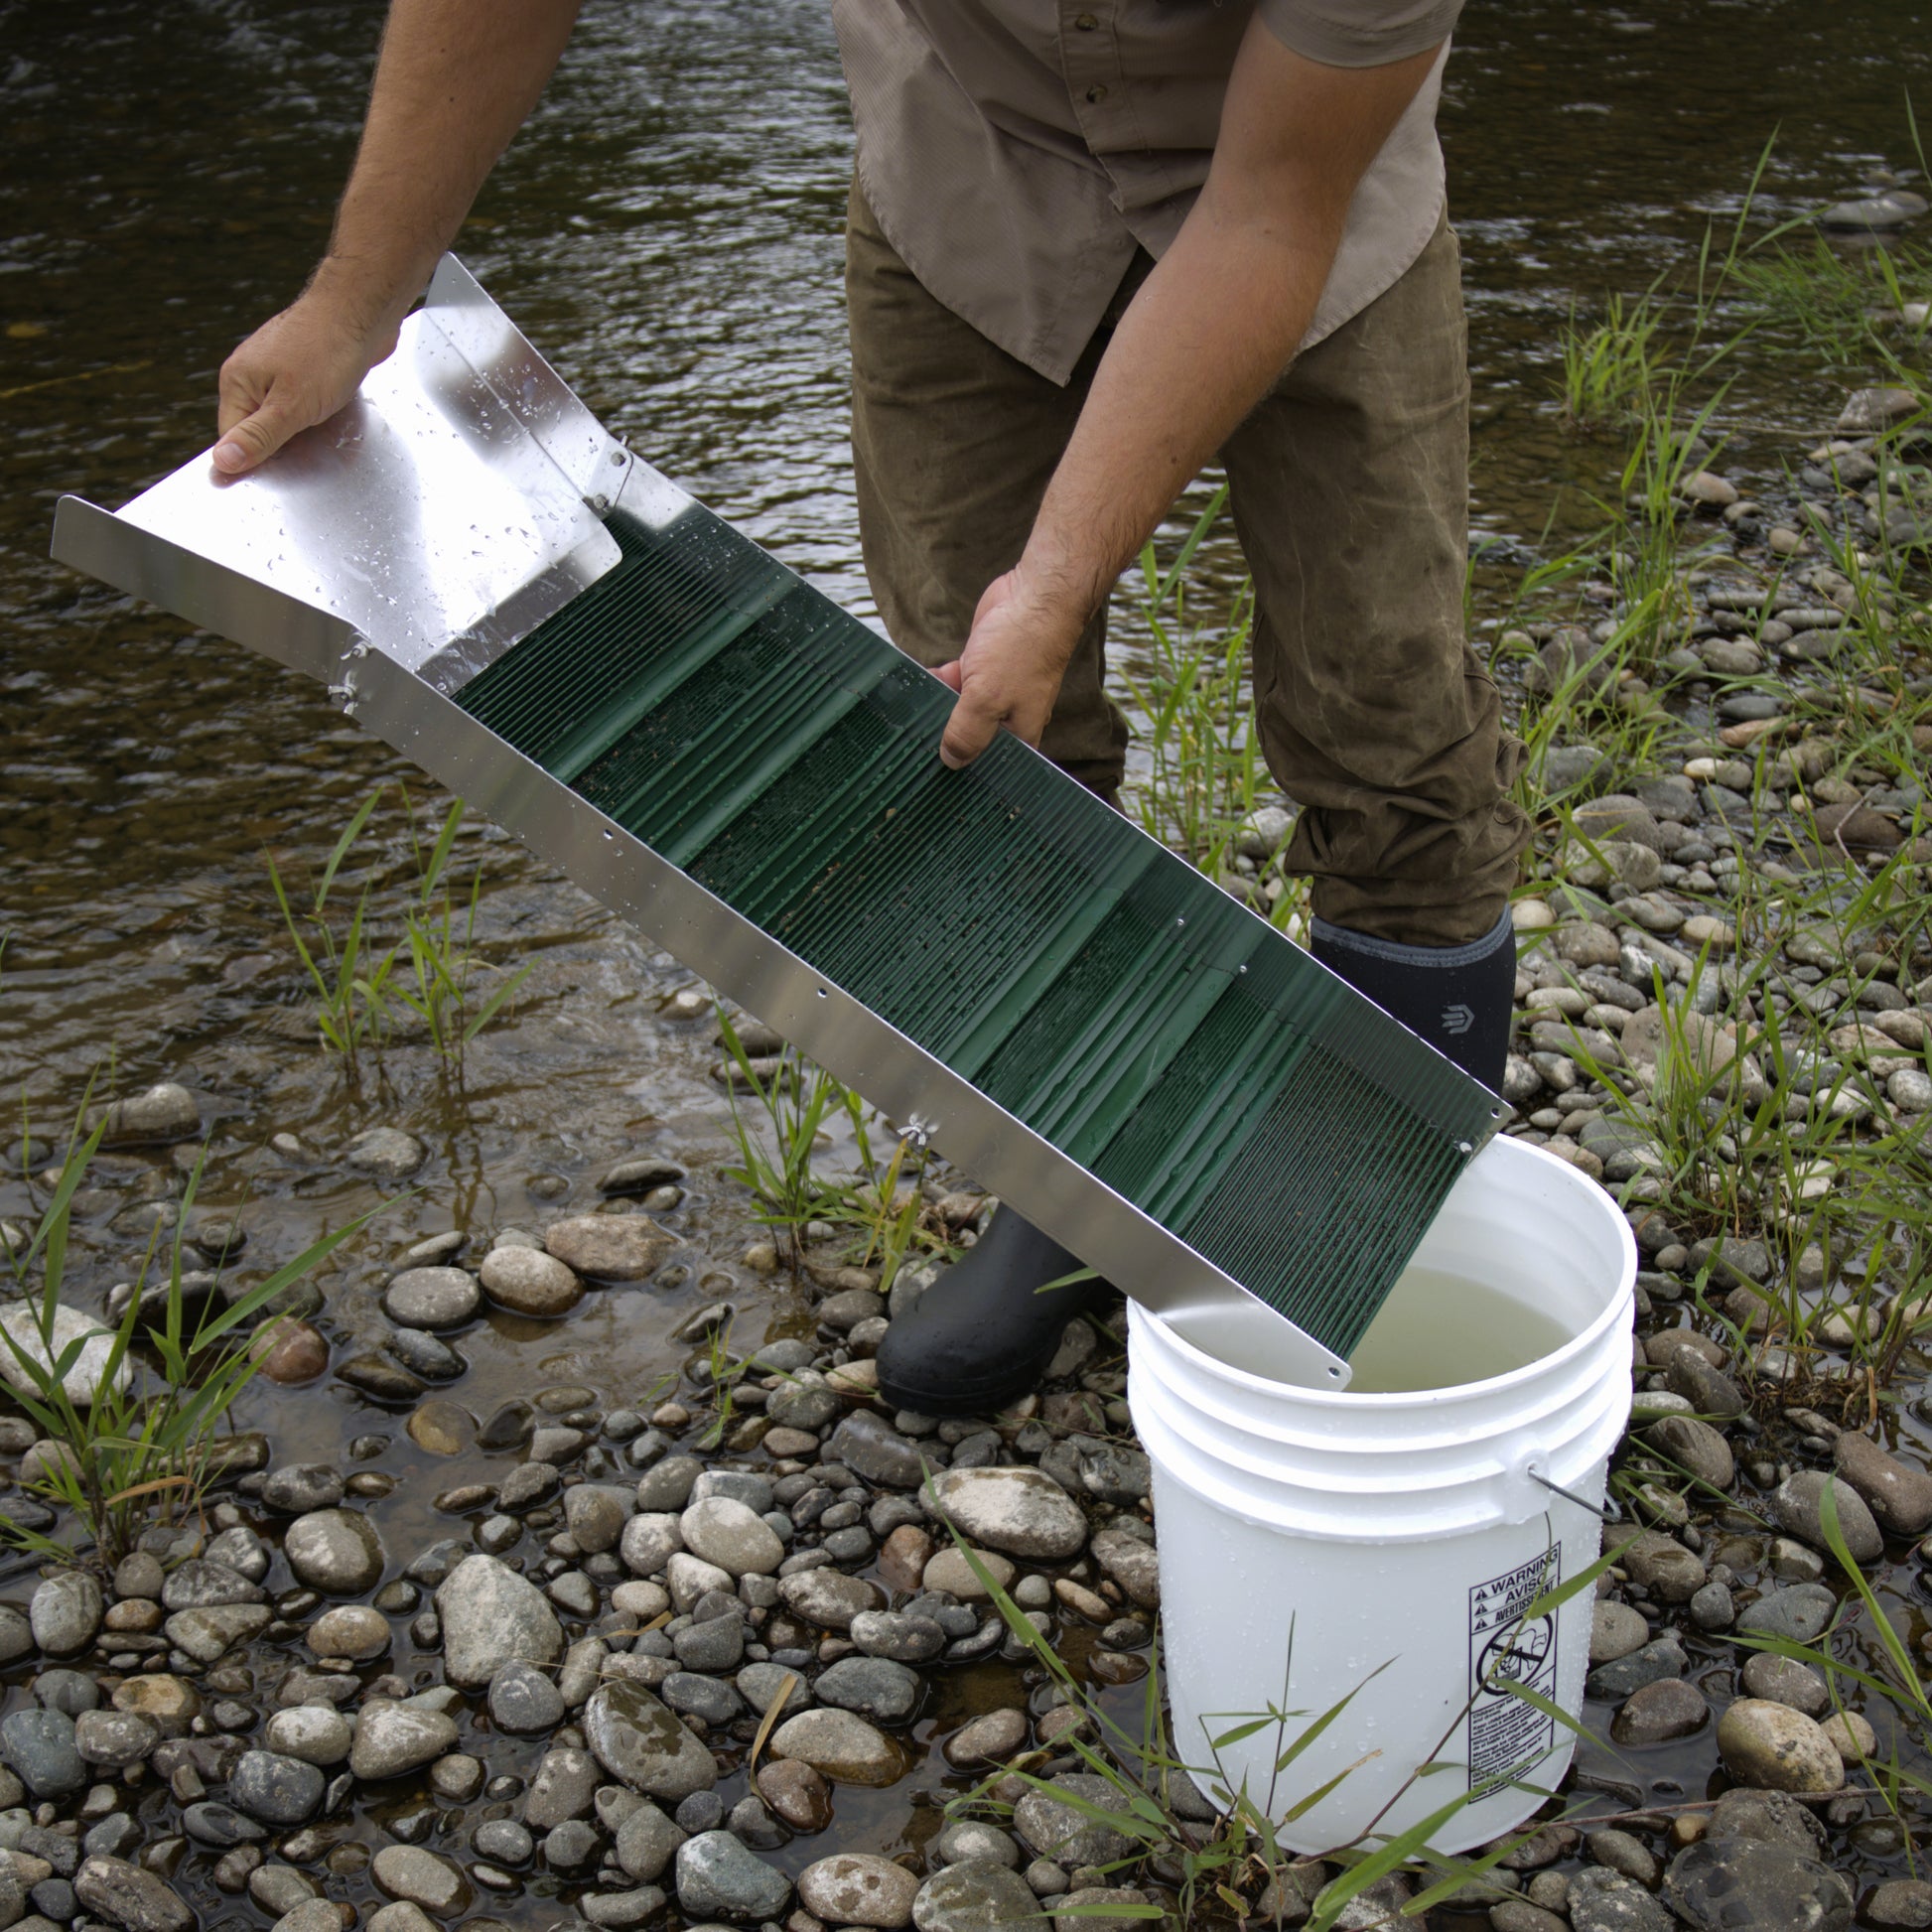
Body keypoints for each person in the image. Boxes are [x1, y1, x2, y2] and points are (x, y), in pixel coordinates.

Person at [214, 0, 1531, 1420]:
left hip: (1302, 196)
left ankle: (1396, 1218)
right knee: (969, 721)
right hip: (968, 174)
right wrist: (361, 296)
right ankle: (1072, 1183)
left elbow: (1268, 217)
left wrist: (1063, 571)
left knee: (1385, 716)